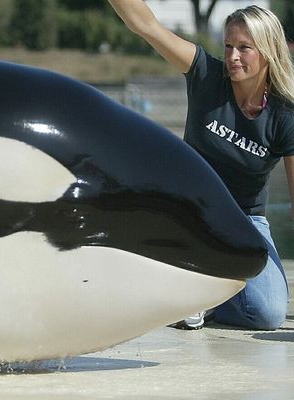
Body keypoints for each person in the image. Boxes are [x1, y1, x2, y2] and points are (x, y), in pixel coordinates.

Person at [108, 1, 294, 330]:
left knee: (268, 313)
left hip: (245, 220)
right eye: (228, 46)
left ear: (267, 51)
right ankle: (186, 289)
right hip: (190, 211)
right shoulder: (207, 74)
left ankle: (201, 301)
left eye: (244, 48)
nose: (232, 56)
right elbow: (145, 25)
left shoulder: (284, 116)